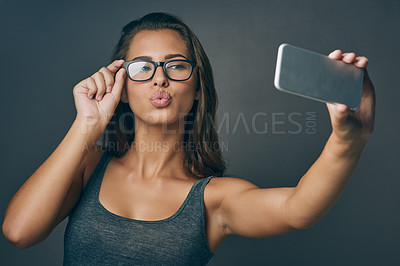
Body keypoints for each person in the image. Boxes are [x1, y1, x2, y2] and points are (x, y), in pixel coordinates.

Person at [2, 12, 375, 265]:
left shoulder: (213, 200)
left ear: (197, 88)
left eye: (176, 65)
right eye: (143, 67)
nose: (159, 78)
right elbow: (19, 233)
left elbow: (297, 209)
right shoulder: (88, 164)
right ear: (123, 87)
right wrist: (87, 125)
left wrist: (348, 139)